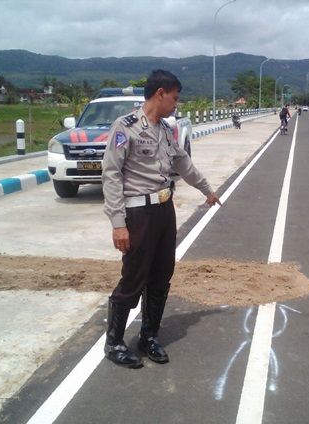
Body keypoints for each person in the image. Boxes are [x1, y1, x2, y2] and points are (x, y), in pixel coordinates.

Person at [101, 69, 222, 368]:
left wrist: (207, 189)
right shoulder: (125, 127)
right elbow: (111, 175)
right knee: (133, 277)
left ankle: (149, 336)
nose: (176, 104)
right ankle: (114, 342)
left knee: (161, 275)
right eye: (175, 98)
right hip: (138, 214)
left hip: (164, 211)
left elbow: (183, 163)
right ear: (160, 94)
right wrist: (118, 223)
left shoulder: (167, 130)